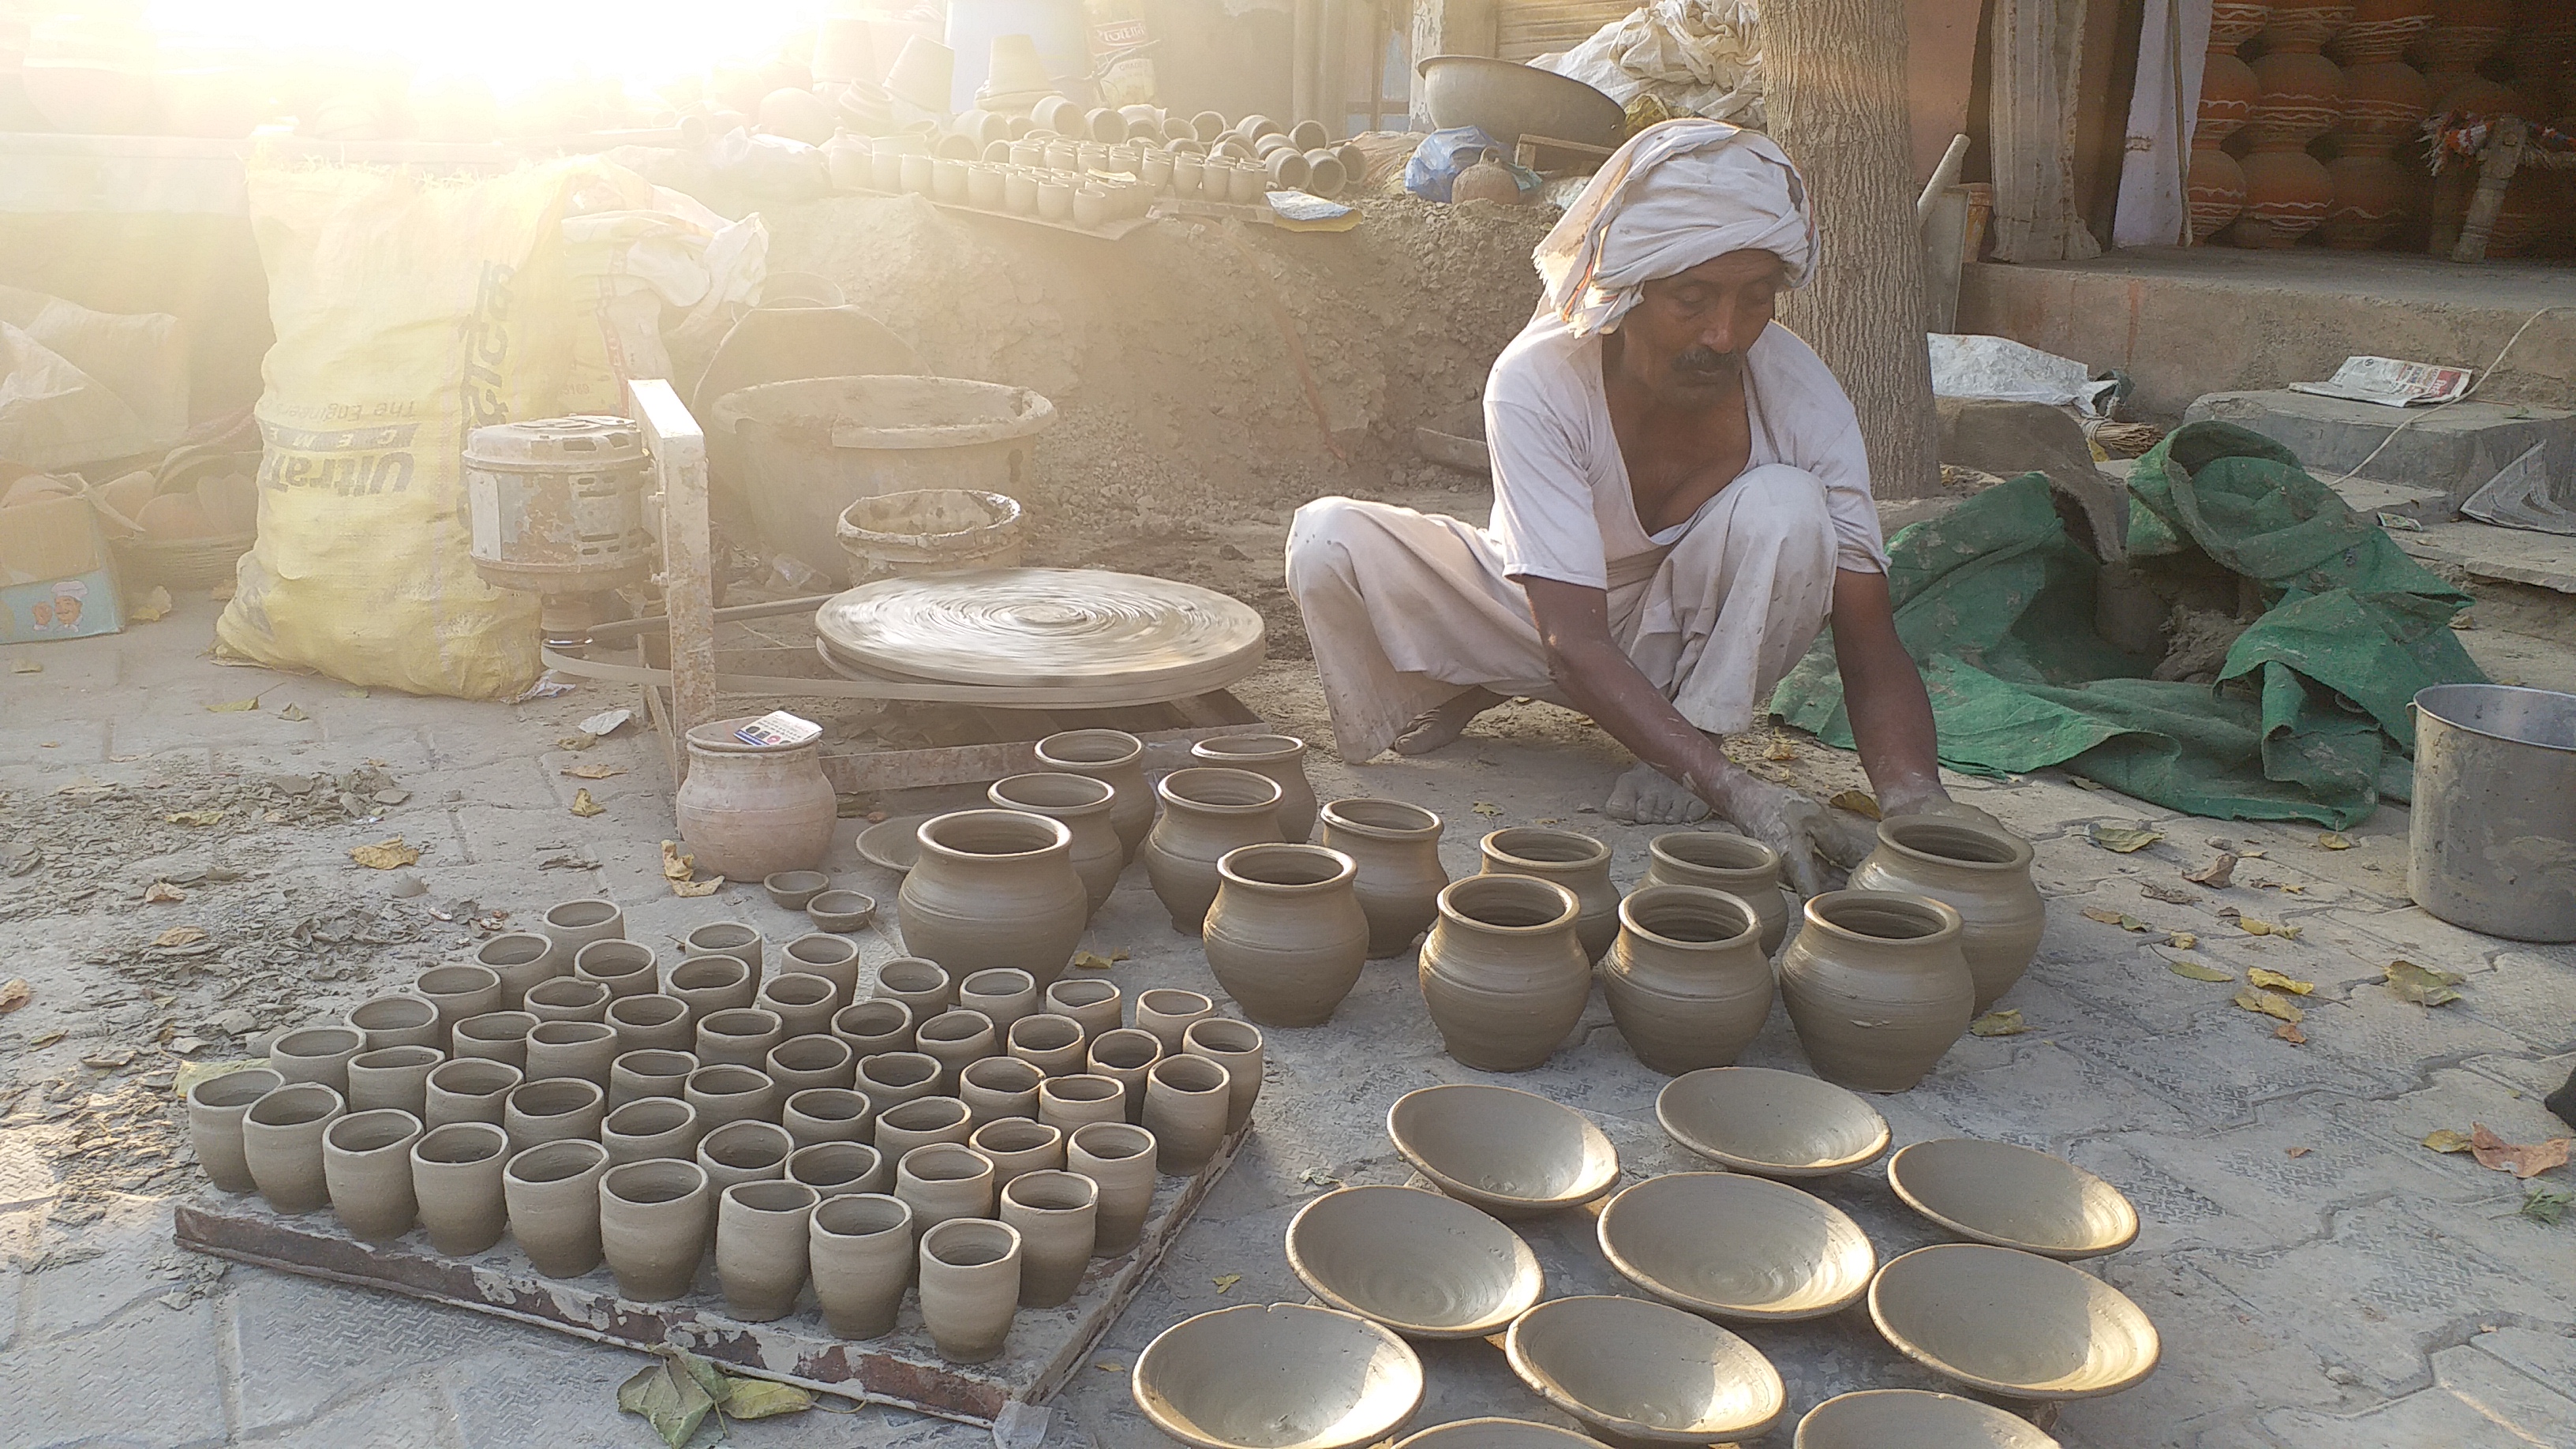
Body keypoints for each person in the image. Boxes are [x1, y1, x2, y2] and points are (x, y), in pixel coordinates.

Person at [1285, 118, 1988, 891]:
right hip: (1549, 618)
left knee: (1791, 507)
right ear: (1631, 288)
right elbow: (1570, 637)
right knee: (1326, 538)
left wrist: (1916, 799)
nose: (1725, 334)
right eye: (1692, 299)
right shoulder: (1542, 379)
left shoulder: (1804, 402)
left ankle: (1692, 738)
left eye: (1755, 299)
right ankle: (1467, 684)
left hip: (1686, 645)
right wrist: (1738, 796)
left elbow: (1866, 635)